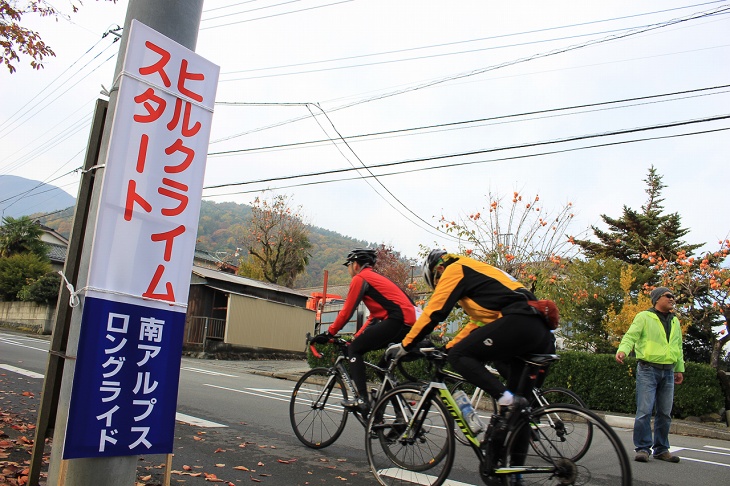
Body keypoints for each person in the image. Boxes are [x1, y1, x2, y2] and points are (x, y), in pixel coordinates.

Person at [385, 249, 557, 425]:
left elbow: (434, 312)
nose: (440, 286)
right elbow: (477, 324)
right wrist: (446, 348)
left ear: (438, 271)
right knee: (514, 419)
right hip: (538, 330)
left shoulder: (455, 269)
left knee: (459, 356)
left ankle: (506, 400)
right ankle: (506, 438)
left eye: (437, 283)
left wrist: (406, 345)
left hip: (520, 321)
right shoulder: (479, 281)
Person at [311, 248, 416, 413]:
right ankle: (400, 415)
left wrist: (329, 333)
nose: (348, 269)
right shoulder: (375, 279)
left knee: (355, 350)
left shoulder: (361, 278)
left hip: (397, 320)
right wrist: (356, 337)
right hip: (408, 324)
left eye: (349, 265)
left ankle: (362, 399)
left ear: (356, 264)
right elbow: (373, 317)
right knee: (383, 368)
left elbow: (346, 312)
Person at [616, 286, 685, 464]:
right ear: (656, 299)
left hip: (668, 371)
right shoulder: (644, 317)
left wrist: (679, 369)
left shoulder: (675, 320)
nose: (672, 299)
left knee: (664, 413)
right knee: (644, 411)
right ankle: (642, 448)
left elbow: (677, 347)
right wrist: (623, 350)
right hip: (648, 369)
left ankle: (661, 449)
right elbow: (630, 336)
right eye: (668, 296)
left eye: (673, 296)